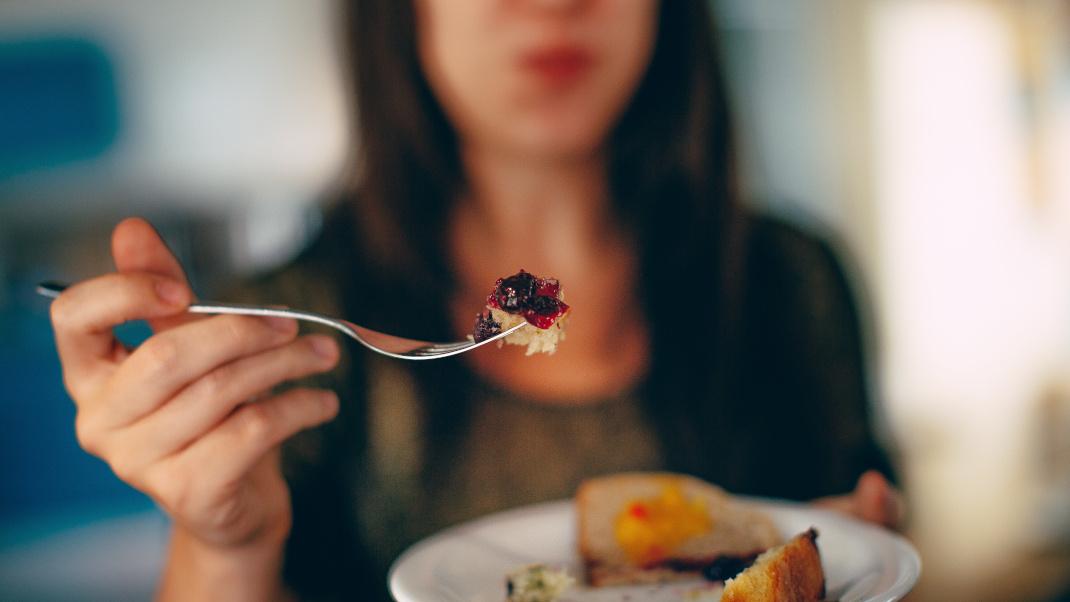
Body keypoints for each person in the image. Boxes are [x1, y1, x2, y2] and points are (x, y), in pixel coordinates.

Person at [47, 1, 903, 600]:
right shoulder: (274, 335)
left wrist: (833, 557)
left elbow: (846, 557)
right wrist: (225, 543)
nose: (555, 2)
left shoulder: (796, 281)